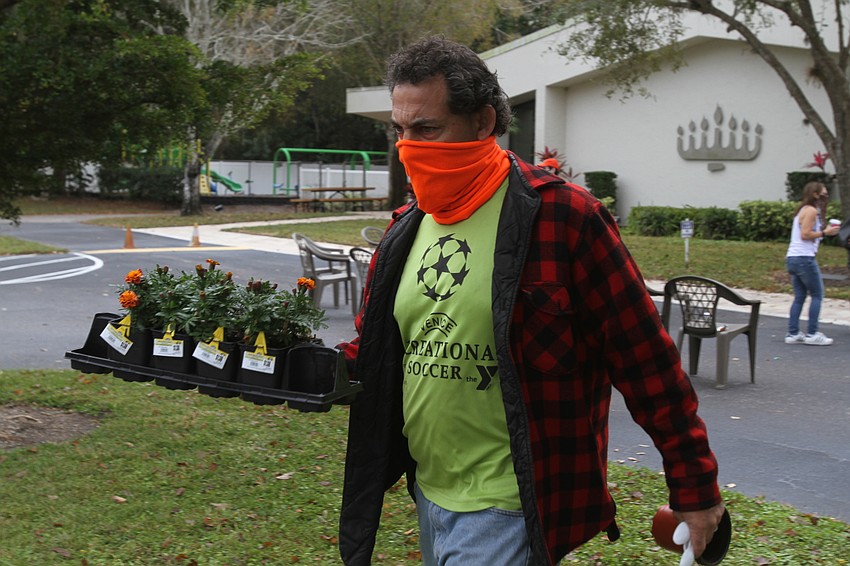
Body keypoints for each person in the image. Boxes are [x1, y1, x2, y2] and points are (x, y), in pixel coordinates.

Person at [337, 36, 724, 566]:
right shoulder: (408, 227)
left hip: (510, 503)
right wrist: (285, 366)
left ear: (483, 121)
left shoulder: (564, 218)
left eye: (427, 129)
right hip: (428, 491)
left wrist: (695, 485)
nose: (409, 147)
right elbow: (378, 349)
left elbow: (645, 361)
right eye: (399, 131)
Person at [784, 181, 840, 346]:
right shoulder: (811, 211)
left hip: (793, 258)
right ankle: (812, 333)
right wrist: (825, 232)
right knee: (817, 295)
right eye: (824, 193)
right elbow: (805, 234)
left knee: (800, 296)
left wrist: (824, 231)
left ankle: (793, 333)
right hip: (804, 258)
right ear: (815, 194)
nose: (826, 195)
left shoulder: (803, 210)